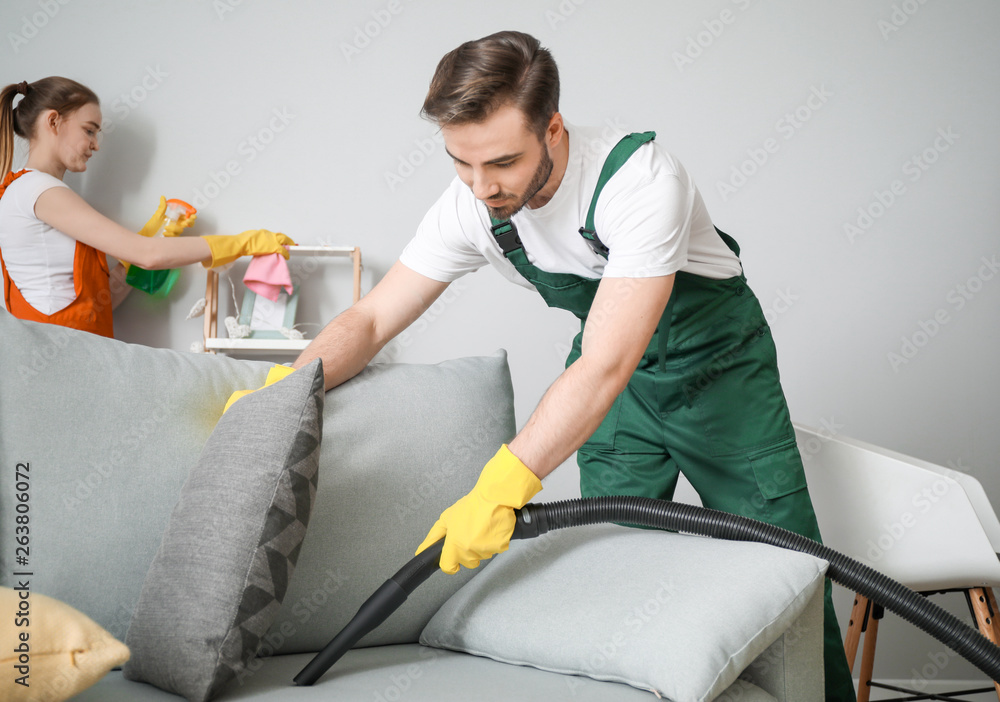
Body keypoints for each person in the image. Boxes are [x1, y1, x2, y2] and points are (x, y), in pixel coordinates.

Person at [292, 31, 855, 700]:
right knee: (615, 569)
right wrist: (290, 391)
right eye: (460, 163)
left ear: (552, 128)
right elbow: (372, 320)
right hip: (615, 383)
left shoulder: (641, 181)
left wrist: (500, 487)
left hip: (719, 378)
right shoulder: (472, 204)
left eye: (501, 162)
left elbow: (604, 363)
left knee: (784, 565)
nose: (481, 186)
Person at [0, 77, 294, 338]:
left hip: (75, 353)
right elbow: (149, 255)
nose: (96, 144)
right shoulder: (38, 190)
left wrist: (147, 249)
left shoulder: (36, 192)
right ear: (53, 121)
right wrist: (241, 243)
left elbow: (100, 306)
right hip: (58, 359)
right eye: (89, 130)